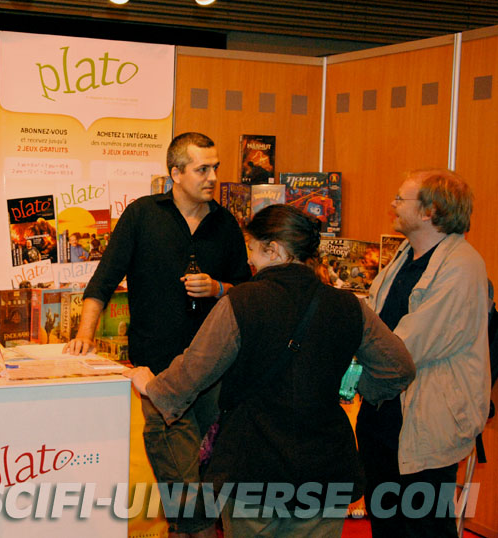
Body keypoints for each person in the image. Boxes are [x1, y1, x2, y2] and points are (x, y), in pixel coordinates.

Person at [126, 204, 416, 537]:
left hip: (253, 465)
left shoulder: (241, 302)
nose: (249, 260)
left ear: (274, 250)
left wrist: (151, 385)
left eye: (252, 249)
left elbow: (193, 372)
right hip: (325, 468)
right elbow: (398, 368)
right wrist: (352, 387)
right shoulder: (349, 305)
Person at [66, 132, 252, 537]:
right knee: (180, 481)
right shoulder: (142, 215)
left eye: (215, 168)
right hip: (158, 373)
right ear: (175, 173)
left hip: (215, 375)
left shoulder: (225, 224)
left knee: (205, 480)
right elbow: (103, 280)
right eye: (202, 169)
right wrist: (84, 336)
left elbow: (247, 292)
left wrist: (217, 287)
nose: (212, 177)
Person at [356, 168, 491, 537]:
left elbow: (406, 347)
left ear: (430, 211)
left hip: (426, 422)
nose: (393, 204)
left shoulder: (462, 267)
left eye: (401, 199)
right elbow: (373, 317)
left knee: (424, 526)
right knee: (386, 523)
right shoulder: (404, 254)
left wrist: (352, 353)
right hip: (384, 415)